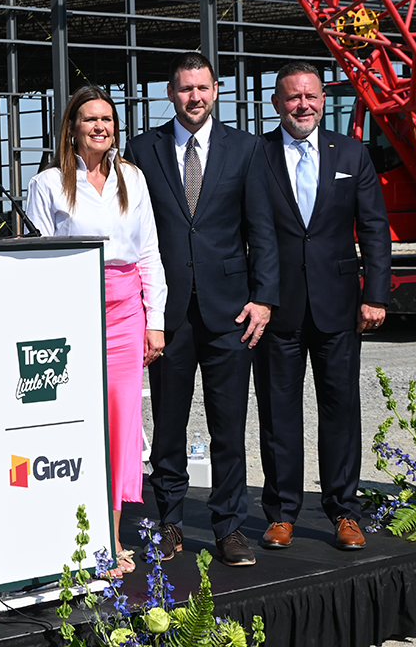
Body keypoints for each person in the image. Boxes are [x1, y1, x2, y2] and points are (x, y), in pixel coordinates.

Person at [124, 52, 279, 567]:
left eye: (203, 88)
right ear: (170, 93)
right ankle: (169, 522)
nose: (195, 97)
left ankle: (229, 527)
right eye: (185, 88)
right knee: (167, 425)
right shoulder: (143, 149)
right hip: (166, 311)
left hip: (230, 310)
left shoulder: (246, 149)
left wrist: (263, 298)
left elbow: (262, 228)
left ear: (216, 92)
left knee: (227, 427)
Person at [26, 86, 167, 575]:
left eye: (107, 119)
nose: (100, 127)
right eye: (90, 120)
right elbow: (38, 260)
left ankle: (108, 538)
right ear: (73, 127)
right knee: (76, 424)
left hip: (127, 313)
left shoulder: (132, 178)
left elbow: (148, 252)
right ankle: (70, 534)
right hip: (72, 312)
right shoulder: (47, 183)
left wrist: (157, 322)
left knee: (120, 424)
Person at [253, 62, 390, 551]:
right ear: (276, 103)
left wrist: (375, 294)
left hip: (338, 306)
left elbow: (374, 226)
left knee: (339, 410)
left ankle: (343, 511)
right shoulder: (258, 154)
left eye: (311, 96)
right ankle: (282, 512)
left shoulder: (351, 152)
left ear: (323, 100)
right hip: (277, 308)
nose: (303, 105)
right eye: (292, 97)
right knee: (278, 413)